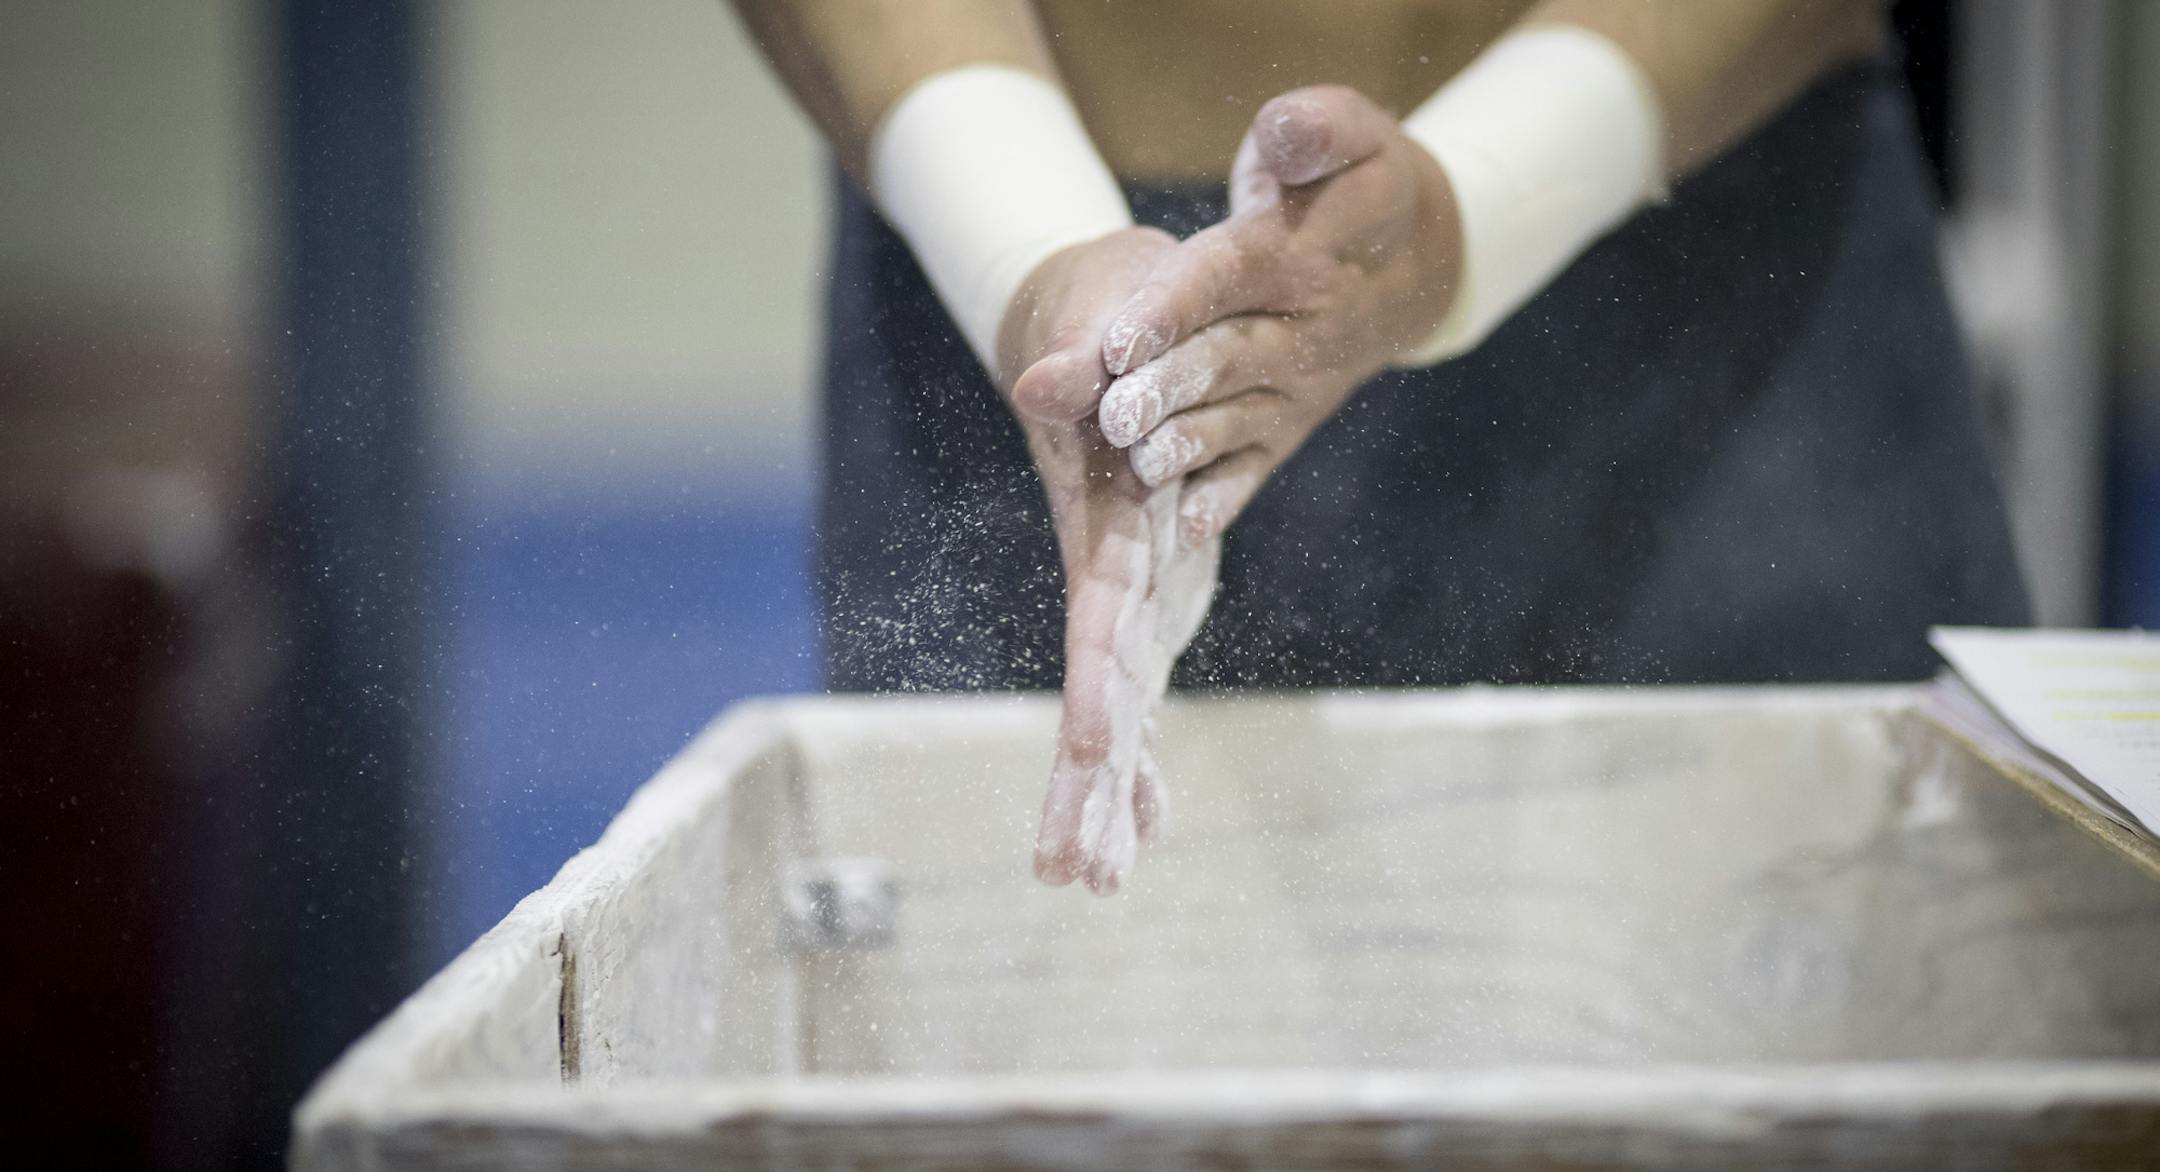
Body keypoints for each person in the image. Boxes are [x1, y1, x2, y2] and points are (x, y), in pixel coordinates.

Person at [732, 1, 2028, 896]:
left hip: (1694, 223)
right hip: (1033, 263)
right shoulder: (1055, 302)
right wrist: (1032, 253)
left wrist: (1493, 192)